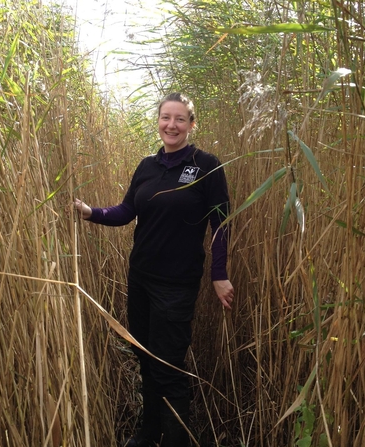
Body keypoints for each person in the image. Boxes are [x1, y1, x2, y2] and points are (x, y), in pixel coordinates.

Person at [74, 92, 234, 447]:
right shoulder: (147, 166)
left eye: (180, 119)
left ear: (192, 125)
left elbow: (221, 223)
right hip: (141, 279)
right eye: (166, 117)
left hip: (176, 284)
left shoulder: (207, 165)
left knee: (169, 368)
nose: (171, 125)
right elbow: (126, 211)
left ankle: (177, 440)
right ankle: (149, 435)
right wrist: (90, 212)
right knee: (145, 360)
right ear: (158, 121)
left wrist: (219, 274)